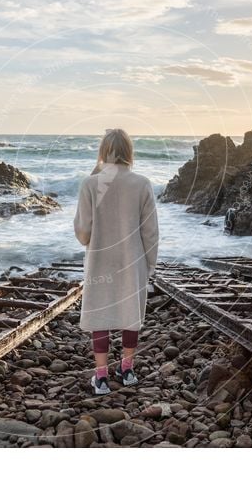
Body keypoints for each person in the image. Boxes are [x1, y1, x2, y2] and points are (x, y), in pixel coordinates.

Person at [73, 128, 159, 395]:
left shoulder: (90, 183)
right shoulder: (142, 183)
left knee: (101, 315)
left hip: (100, 260)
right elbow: (151, 232)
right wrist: (150, 265)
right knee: (129, 315)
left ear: (103, 152)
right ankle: (127, 370)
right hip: (132, 259)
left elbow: (83, 233)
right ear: (129, 152)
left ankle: (100, 378)